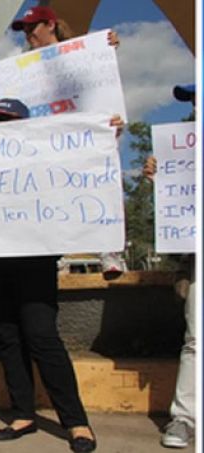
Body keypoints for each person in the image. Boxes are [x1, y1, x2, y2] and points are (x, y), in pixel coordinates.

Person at [0, 99, 98, 453]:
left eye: (5, 120)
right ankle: (23, 413)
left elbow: (84, 164)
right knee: (8, 338)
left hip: (34, 261)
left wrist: (107, 134)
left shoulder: (45, 160)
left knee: (43, 337)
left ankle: (75, 421)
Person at [8, 4, 124, 280]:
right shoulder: (20, 68)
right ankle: (55, 253)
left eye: (31, 27)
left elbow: (103, 92)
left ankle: (109, 251)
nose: (27, 34)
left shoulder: (85, 54)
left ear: (50, 25)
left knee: (95, 181)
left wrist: (106, 48)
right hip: (45, 148)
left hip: (81, 139)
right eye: (23, 29)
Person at [143, 83, 195, 449]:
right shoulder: (184, 149)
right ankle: (185, 418)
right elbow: (182, 205)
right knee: (196, 341)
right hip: (198, 258)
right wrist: (160, 182)